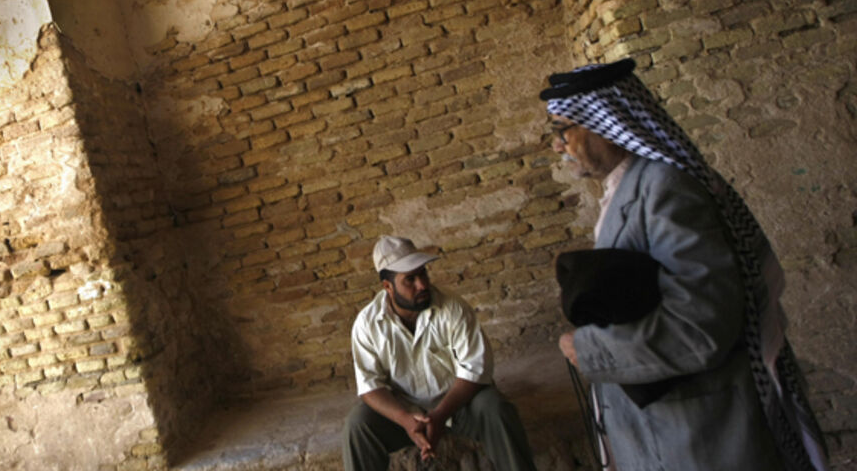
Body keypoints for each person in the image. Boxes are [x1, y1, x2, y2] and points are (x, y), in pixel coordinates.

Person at [542, 58, 829, 471]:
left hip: (701, 436)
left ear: (606, 123)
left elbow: (700, 326)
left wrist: (591, 350)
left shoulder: (665, 189)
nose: (558, 146)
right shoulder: (627, 187)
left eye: (563, 130)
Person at [344, 235, 537, 471]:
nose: (422, 285)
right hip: (406, 415)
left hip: (459, 407)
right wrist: (405, 420)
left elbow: (475, 368)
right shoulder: (367, 324)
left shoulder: (453, 307)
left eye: (423, 274)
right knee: (358, 424)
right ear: (388, 287)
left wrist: (439, 415)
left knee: (496, 408)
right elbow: (369, 386)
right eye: (410, 279)